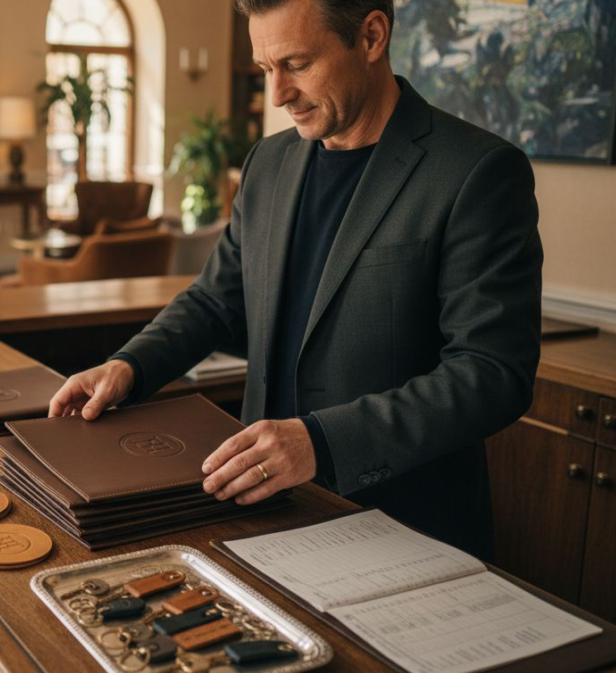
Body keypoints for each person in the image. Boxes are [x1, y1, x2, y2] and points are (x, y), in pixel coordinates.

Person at [47, 0, 543, 558]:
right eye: (266, 69)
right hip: (262, 513)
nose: (278, 94)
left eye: (298, 64)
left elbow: (492, 373)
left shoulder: (477, 171)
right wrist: (130, 366)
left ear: (372, 36)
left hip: (404, 525)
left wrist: (322, 444)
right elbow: (215, 300)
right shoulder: (268, 162)